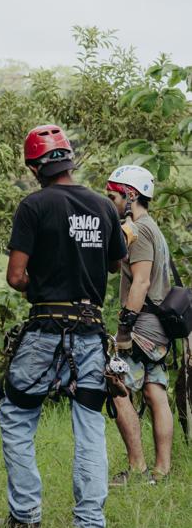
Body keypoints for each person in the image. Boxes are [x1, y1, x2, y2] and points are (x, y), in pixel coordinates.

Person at [0, 125, 127, 528]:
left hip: (46, 328)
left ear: (36, 167)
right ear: (69, 159)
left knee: (17, 414)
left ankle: (26, 518)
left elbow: (16, 276)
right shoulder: (104, 206)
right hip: (90, 331)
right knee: (89, 424)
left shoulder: (34, 206)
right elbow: (115, 265)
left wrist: (46, 283)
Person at [105, 165, 173, 485]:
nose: (111, 202)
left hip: (143, 324)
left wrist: (124, 328)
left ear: (130, 196)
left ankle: (137, 469)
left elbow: (141, 282)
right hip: (158, 325)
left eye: (114, 197)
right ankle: (161, 471)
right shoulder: (152, 229)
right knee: (155, 391)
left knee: (116, 385)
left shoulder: (141, 230)